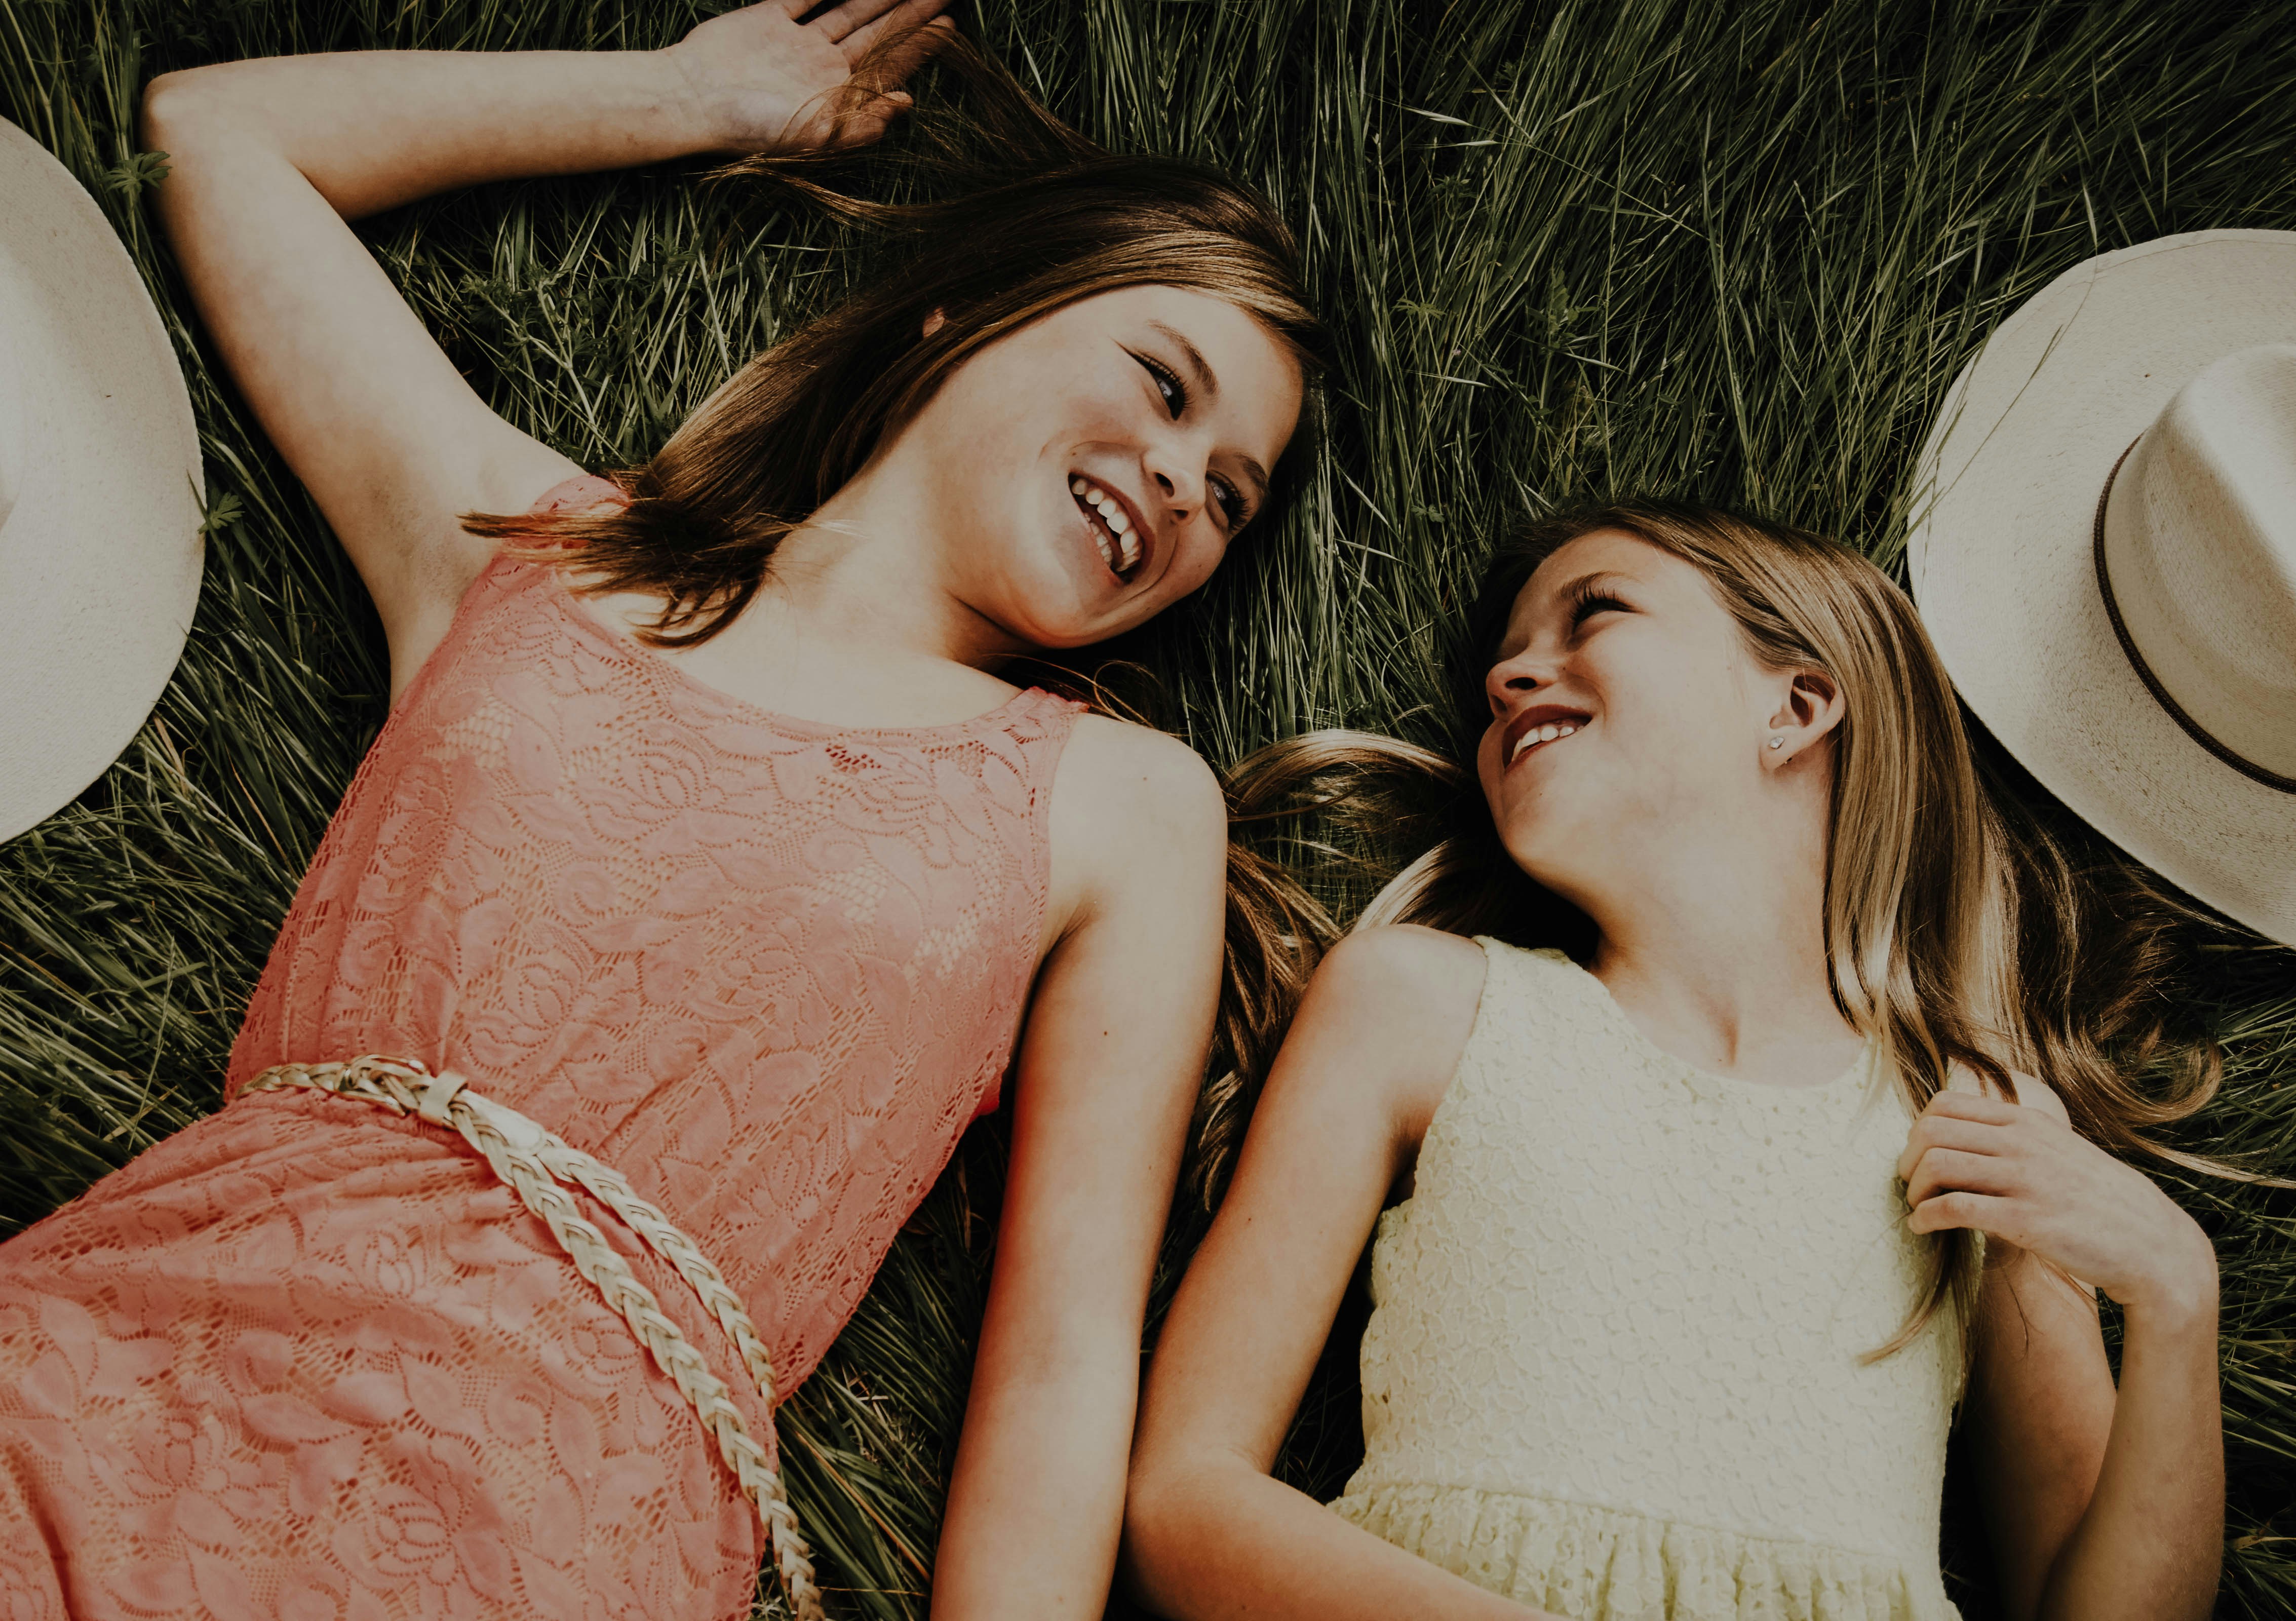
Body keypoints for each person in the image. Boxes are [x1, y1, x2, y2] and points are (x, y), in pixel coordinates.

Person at [0, 3, 1318, 1618]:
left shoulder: (1123, 810)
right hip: (110, 1361)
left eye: (1233, 497)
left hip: (538, 1547)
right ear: (965, 318)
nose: (1189, 484)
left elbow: (1056, 1371)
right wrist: (694, 95)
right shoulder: (529, 555)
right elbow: (218, 137)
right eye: (1166, 386)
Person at [1122, 501, 2228, 1621]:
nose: (1512, 677)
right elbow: (1183, 1498)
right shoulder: (1425, 1003)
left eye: (1592, 612)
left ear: (1795, 705)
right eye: (1505, 663)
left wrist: (2177, 1293)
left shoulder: (1969, 1116)